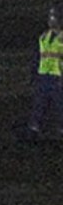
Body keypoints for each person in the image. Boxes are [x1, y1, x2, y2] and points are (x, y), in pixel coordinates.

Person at [30, 9, 63, 140]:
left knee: (60, 104)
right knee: (39, 103)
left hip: (57, 76)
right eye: (50, 19)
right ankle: (34, 127)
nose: (51, 21)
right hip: (44, 76)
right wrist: (34, 74)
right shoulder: (43, 37)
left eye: (54, 19)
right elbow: (38, 57)